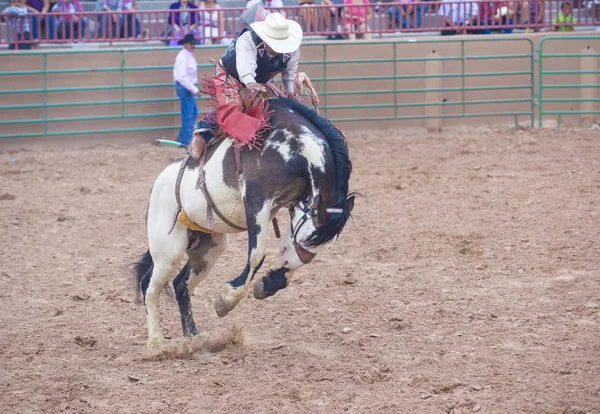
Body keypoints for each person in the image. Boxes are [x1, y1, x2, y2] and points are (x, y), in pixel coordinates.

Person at [190, 11, 302, 159]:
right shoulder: (248, 39)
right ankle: (203, 133)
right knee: (232, 105)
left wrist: (290, 91)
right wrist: (250, 83)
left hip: (259, 80)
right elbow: (245, 66)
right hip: (231, 74)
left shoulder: (292, 50)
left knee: (280, 105)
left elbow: (289, 72)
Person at [173, 33, 201, 145]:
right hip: (185, 87)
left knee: (192, 113)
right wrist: (194, 89)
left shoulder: (186, 55)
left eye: (194, 43)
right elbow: (182, 77)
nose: (193, 45)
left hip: (186, 87)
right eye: (191, 43)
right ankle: (184, 141)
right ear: (185, 44)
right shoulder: (183, 57)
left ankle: (182, 138)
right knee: (189, 114)